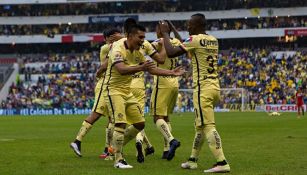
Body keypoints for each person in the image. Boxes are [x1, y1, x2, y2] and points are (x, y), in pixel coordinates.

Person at [103, 24, 184, 169]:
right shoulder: (117, 48)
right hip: (113, 90)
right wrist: (141, 67)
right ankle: (118, 159)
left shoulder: (137, 51)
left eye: (144, 37)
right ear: (130, 36)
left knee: (140, 123)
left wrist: (172, 73)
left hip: (127, 90)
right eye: (140, 37)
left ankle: (115, 146)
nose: (143, 40)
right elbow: (121, 69)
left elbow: (152, 68)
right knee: (120, 123)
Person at [159, 13, 231, 173]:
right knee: (200, 127)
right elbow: (188, 44)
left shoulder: (194, 41)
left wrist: (165, 32)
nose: (188, 27)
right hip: (214, 87)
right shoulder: (213, 40)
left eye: (190, 24)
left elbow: (170, 52)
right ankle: (192, 160)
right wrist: (174, 30)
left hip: (202, 89)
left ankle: (222, 162)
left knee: (208, 126)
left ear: (198, 25)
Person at [70, 28, 122, 158]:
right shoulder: (106, 48)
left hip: (112, 85)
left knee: (112, 119)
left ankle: (107, 149)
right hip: (104, 84)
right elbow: (107, 62)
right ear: (109, 38)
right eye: (115, 35)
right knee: (96, 114)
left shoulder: (117, 45)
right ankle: (77, 141)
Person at [150, 23, 182, 160]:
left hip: (162, 82)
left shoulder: (159, 42)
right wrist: (172, 29)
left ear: (160, 30)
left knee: (157, 117)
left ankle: (171, 141)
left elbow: (147, 49)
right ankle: (166, 150)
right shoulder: (175, 41)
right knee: (166, 117)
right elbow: (181, 39)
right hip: (175, 82)